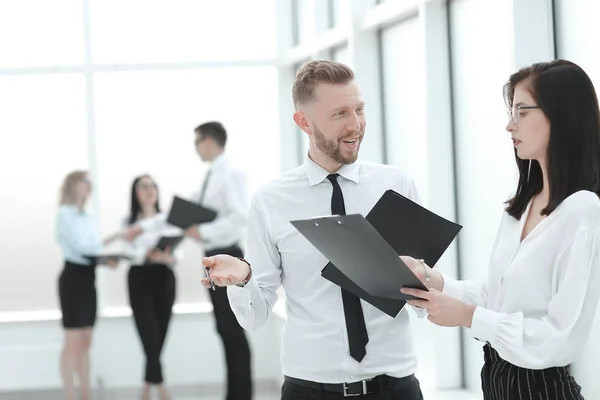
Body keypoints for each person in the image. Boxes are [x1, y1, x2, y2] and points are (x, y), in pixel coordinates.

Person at [201, 60, 425, 400]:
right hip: (309, 391)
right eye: (340, 114)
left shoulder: (396, 186)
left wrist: (420, 281)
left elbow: (426, 301)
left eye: (359, 110)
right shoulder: (271, 202)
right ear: (303, 122)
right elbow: (255, 316)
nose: (356, 125)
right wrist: (244, 279)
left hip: (395, 388)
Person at [401, 59, 600, 400]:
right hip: (496, 378)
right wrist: (435, 282)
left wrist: (468, 316)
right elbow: (501, 299)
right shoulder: (521, 206)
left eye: (522, 112)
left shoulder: (583, 211)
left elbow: (558, 336)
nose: (510, 126)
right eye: (512, 112)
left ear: (561, 116)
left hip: (542, 388)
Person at [125, 122, 253, 400]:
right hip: (214, 259)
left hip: (228, 255)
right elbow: (177, 213)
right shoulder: (211, 176)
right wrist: (144, 227)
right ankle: (234, 395)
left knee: (232, 330)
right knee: (224, 328)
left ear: (208, 140)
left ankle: (241, 396)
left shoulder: (231, 173)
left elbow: (239, 217)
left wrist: (202, 231)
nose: (195, 149)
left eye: (197, 142)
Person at [56, 170, 121, 400]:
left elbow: (93, 247)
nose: (88, 187)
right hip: (73, 279)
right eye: (85, 182)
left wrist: (109, 255)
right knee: (72, 341)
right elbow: (81, 247)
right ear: (73, 185)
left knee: (86, 340)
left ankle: (86, 394)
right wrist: (101, 255)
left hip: (88, 279)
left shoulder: (88, 216)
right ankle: (71, 395)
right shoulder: (65, 214)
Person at [123, 174, 182, 400]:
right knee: (149, 335)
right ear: (135, 193)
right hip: (139, 279)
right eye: (143, 187)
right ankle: (161, 389)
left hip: (164, 278)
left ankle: (147, 387)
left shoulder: (168, 219)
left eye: (152, 186)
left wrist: (166, 258)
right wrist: (146, 254)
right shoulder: (128, 222)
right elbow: (127, 251)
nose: (149, 190)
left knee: (160, 335)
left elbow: (179, 253)